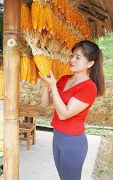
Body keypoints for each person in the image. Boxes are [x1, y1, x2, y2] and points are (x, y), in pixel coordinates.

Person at [39, 40, 105, 180]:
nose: (72, 60)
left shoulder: (88, 88)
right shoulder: (64, 79)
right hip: (57, 137)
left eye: (78, 57)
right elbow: (45, 104)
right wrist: (46, 86)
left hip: (73, 142)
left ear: (90, 63)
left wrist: (53, 87)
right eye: (72, 55)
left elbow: (64, 114)